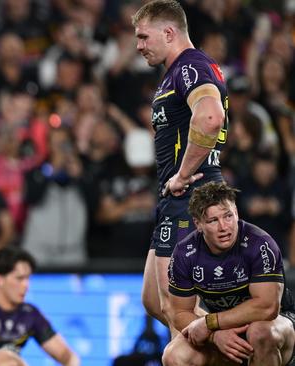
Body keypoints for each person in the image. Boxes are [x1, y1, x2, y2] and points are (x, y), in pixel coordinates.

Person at [131, 0, 228, 332]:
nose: (138, 45)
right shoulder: (178, 72)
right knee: (155, 301)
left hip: (190, 196)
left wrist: (183, 174)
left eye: (144, 37)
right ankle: (237, 338)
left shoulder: (190, 66)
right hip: (179, 199)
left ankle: (246, 342)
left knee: (179, 311)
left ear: (169, 32)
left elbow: (212, 117)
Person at [163, 181, 295, 365]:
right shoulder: (185, 253)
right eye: (213, 221)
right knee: (174, 355)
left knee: (260, 333)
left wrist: (209, 323)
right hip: (223, 329)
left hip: (277, 322)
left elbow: (267, 307)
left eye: (228, 216)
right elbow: (179, 312)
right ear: (198, 224)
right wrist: (215, 336)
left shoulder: (260, 243)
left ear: (237, 213)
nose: (224, 227)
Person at [0, 246, 80, 366]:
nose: (26, 285)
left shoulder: (30, 313)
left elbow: (68, 356)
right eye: (19, 278)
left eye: (28, 278)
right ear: (0, 280)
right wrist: (13, 360)